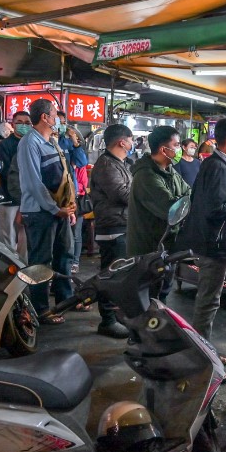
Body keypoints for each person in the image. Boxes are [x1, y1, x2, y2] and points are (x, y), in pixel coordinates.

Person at [176, 117, 226, 343]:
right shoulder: (218, 167)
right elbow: (216, 208)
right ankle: (201, 350)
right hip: (213, 243)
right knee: (209, 299)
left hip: (208, 240)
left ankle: (200, 346)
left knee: (208, 297)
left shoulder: (215, 164)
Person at [17, 99, 76, 323]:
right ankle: (40, 309)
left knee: (64, 257)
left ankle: (65, 301)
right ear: (45, 117)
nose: (57, 120)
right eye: (54, 115)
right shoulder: (29, 143)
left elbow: (64, 175)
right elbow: (33, 183)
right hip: (40, 213)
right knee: (41, 261)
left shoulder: (52, 141)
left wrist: (67, 207)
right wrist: (54, 209)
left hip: (58, 211)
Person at [127, 125, 191, 302]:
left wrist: (183, 199)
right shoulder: (146, 176)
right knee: (148, 299)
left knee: (161, 294)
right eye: (177, 145)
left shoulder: (169, 172)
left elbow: (189, 194)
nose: (179, 149)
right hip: (148, 251)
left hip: (164, 249)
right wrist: (181, 200)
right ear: (164, 149)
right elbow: (171, 210)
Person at [88, 123, 134, 339]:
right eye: (131, 139)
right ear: (121, 141)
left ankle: (116, 316)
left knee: (120, 274)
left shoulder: (120, 163)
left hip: (122, 224)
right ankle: (107, 320)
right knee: (110, 274)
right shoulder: (107, 165)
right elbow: (122, 195)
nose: (133, 144)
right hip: (112, 226)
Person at [0, 111, 31, 263]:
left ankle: (24, 268)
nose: (23, 125)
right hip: (9, 198)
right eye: (19, 122)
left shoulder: (32, 143)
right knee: (8, 235)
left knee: (26, 236)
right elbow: (5, 171)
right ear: (13, 124)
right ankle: (7, 268)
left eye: (27, 123)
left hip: (29, 199)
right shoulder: (5, 145)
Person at [56, 112, 89, 275]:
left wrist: (75, 142)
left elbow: (83, 162)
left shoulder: (68, 142)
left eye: (63, 122)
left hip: (72, 194)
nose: (61, 125)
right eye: (58, 122)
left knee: (75, 232)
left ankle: (74, 262)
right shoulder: (48, 142)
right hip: (54, 195)